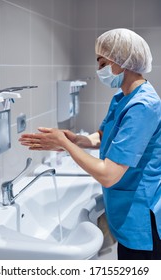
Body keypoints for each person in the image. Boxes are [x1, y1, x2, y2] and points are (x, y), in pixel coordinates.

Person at [19, 28, 161, 260]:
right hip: (125, 209)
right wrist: (76, 140)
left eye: (102, 63)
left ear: (122, 61)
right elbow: (101, 136)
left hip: (142, 218)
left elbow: (108, 175)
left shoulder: (142, 106)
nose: (99, 71)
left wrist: (66, 145)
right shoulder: (122, 98)